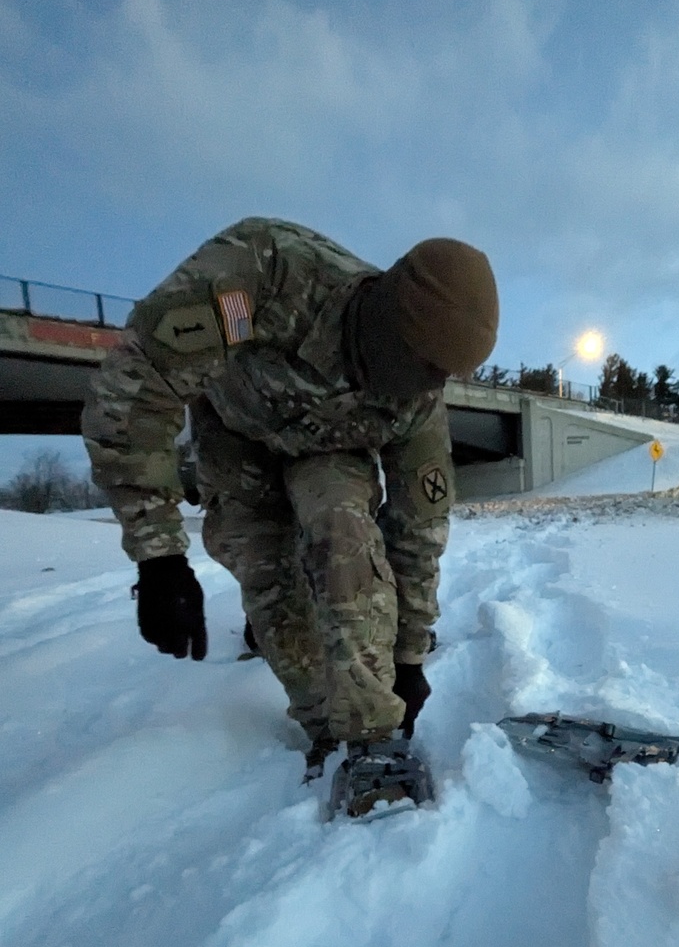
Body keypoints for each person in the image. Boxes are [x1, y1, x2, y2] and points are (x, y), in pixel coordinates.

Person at [82, 217, 499, 815]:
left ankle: (369, 734)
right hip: (236, 435)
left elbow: (417, 531)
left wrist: (407, 659)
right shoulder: (271, 274)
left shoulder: (419, 403)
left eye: (442, 378)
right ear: (385, 320)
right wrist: (160, 556)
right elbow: (138, 384)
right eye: (422, 367)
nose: (428, 390)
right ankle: (321, 725)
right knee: (267, 575)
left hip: (333, 451)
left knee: (344, 537)